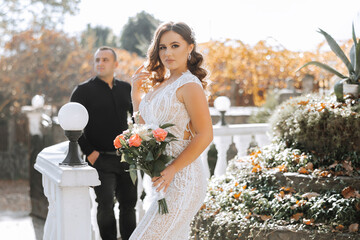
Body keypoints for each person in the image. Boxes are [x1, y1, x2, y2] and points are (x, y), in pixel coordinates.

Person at [130, 22, 213, 239]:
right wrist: (135, 95)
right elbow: (144, 129)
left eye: (175, 45)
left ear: (190, 48)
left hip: (184, 179)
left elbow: (205, 134)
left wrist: (173, 169)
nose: (168, 52)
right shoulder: (161, 85)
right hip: (162, 180)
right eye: (162, 47)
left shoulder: (189, 85)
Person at [70, 46, 137, 240]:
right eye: (97, 60)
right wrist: (89, 152)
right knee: (106, 205)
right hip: (100, 159)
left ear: (115, 64)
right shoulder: (83, 91)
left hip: (127, 158)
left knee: (129, 205)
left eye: (105, 60)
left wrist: (136, 145)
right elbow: (72, 125)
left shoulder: (126, 89)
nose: (100, 63)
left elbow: (138, 118)